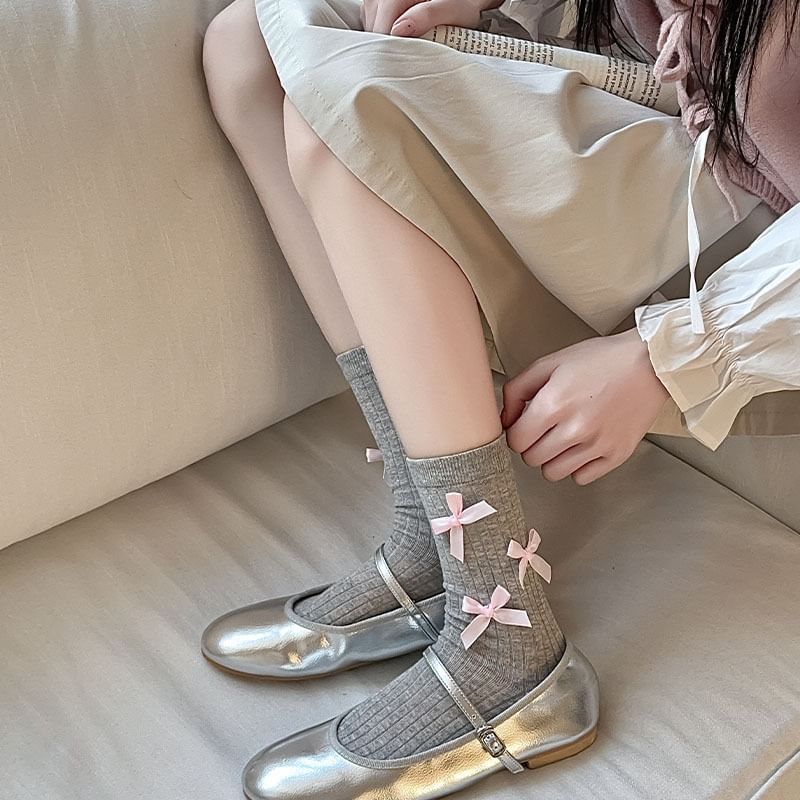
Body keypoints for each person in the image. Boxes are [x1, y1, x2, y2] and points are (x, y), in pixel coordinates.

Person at [199, 0, 800, 797]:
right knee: (247, 45)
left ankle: (507, 644)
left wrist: (669, 355)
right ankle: (432, 534)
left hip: (759, 280)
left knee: (346, 112)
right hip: (669, 123)